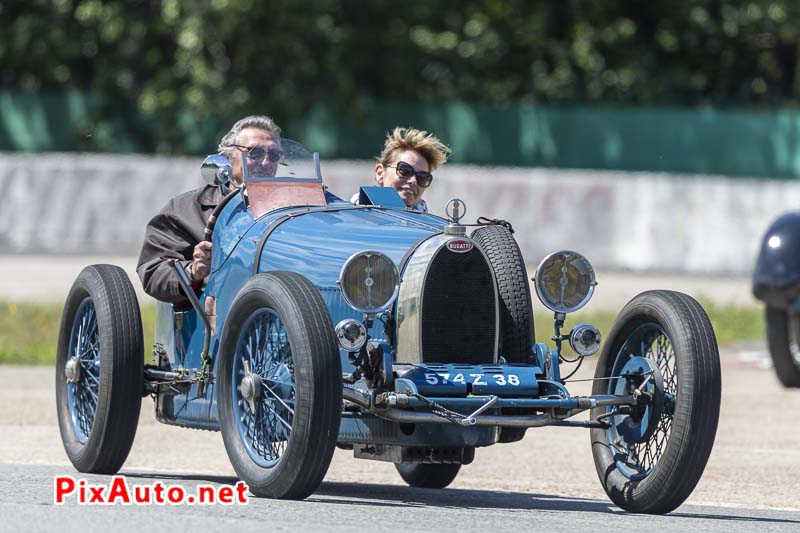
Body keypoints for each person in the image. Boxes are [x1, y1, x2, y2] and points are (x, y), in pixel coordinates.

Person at [137, 115, 282, 305]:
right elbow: (153, 270)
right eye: (254, 153)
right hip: (212, 318)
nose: (265, 163)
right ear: (227, 159)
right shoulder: (184, 210)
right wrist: (193, 270)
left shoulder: (295, 206)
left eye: (273, 155)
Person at [353, 127, 451, 212]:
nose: (413, 181)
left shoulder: (428, 226)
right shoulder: (353, 211)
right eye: (405, 171)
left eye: (422, 177)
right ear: (380, 173)